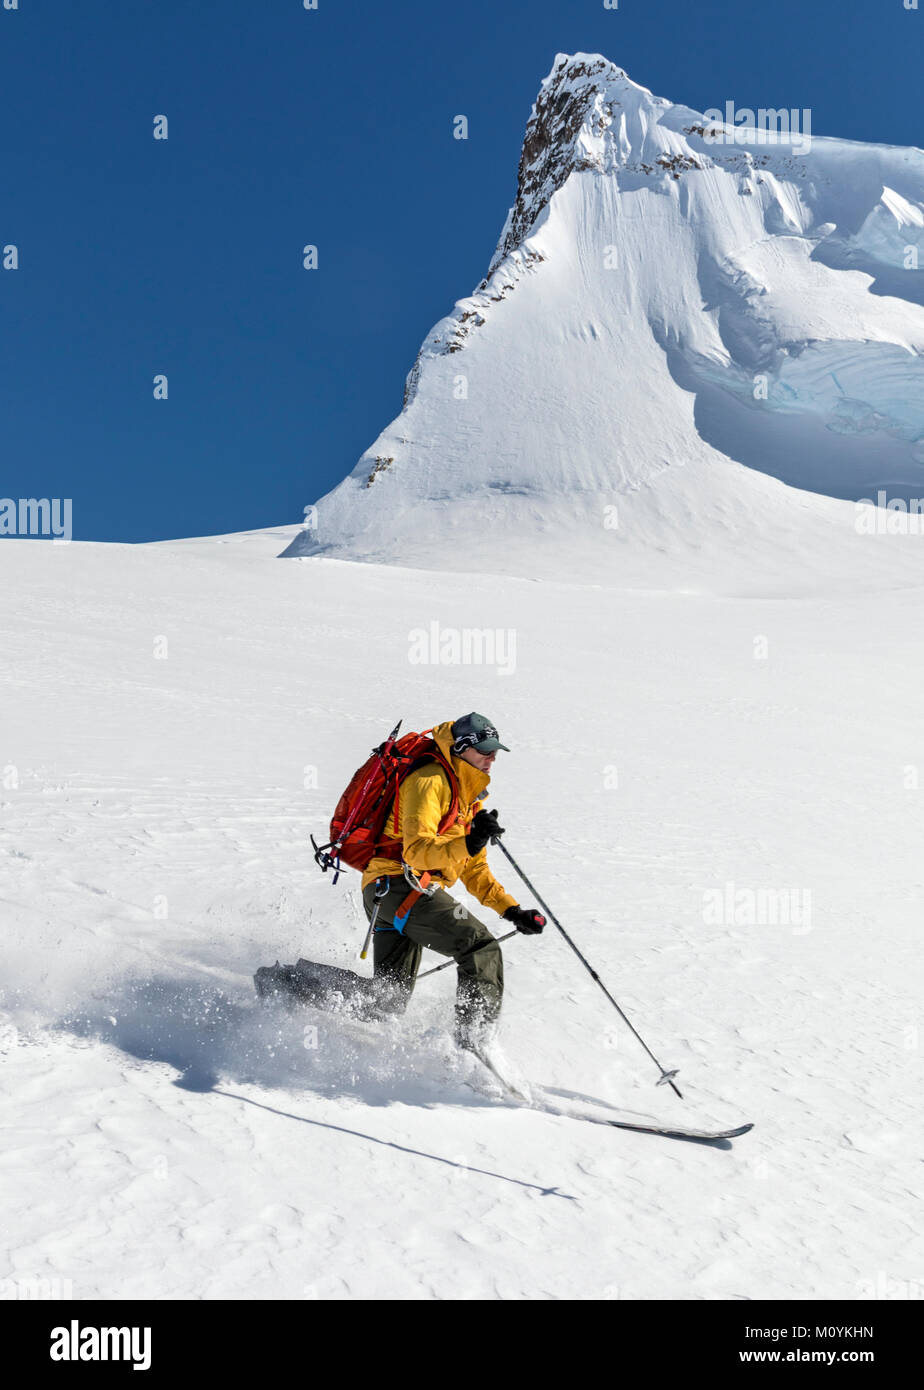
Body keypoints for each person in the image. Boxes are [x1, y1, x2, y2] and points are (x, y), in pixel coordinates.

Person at [360, 712, 544, 1050]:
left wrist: (512, 911)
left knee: (386, 1001)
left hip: (395, 893)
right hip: (397, 884)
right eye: (484, 751)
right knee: (479, 946)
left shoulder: (466, 796)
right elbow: (416, 852)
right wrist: (468, 841)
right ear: (460, 748)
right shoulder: (430, 781)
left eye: (494, 752)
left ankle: (295, 983)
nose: (491, 759)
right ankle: (473, 1041)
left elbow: (473, 869)